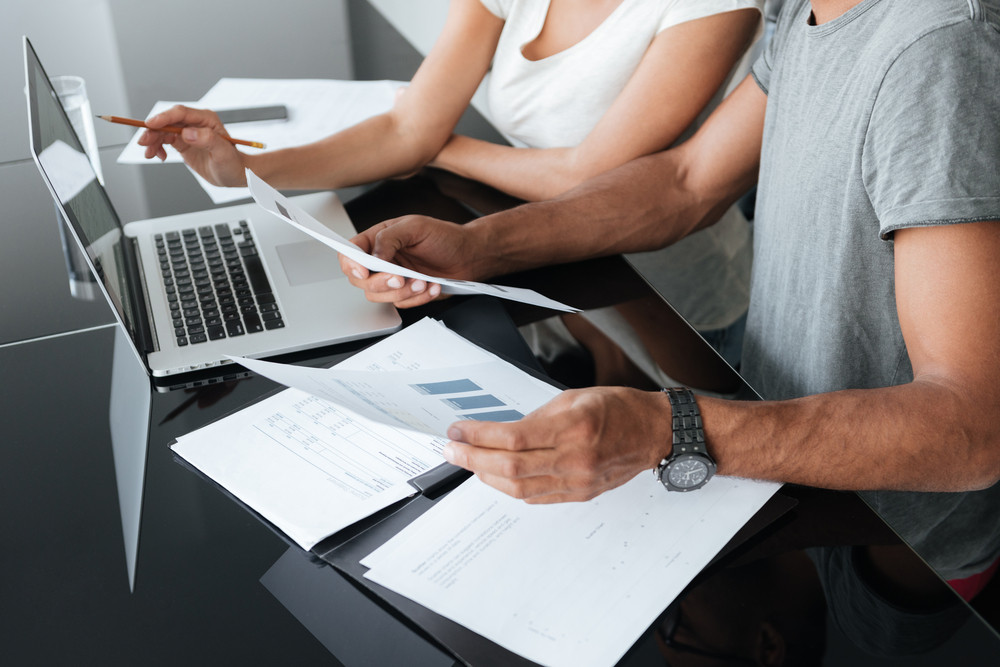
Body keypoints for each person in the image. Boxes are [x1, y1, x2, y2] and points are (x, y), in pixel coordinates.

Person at [338, 0, 1000, 594]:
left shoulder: (940, 51)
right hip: (782, 463)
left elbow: (973, 426)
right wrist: (482, 245)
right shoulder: (805, 8)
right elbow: (688, 180)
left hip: (892, 540)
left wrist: (672, 427)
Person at [138, 0, 765, 379]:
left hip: (664, 292)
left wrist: (445, 147)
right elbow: (405, 125)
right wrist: (238, 170)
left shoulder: (709, 6)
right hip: (553, 266)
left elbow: (584, 175)